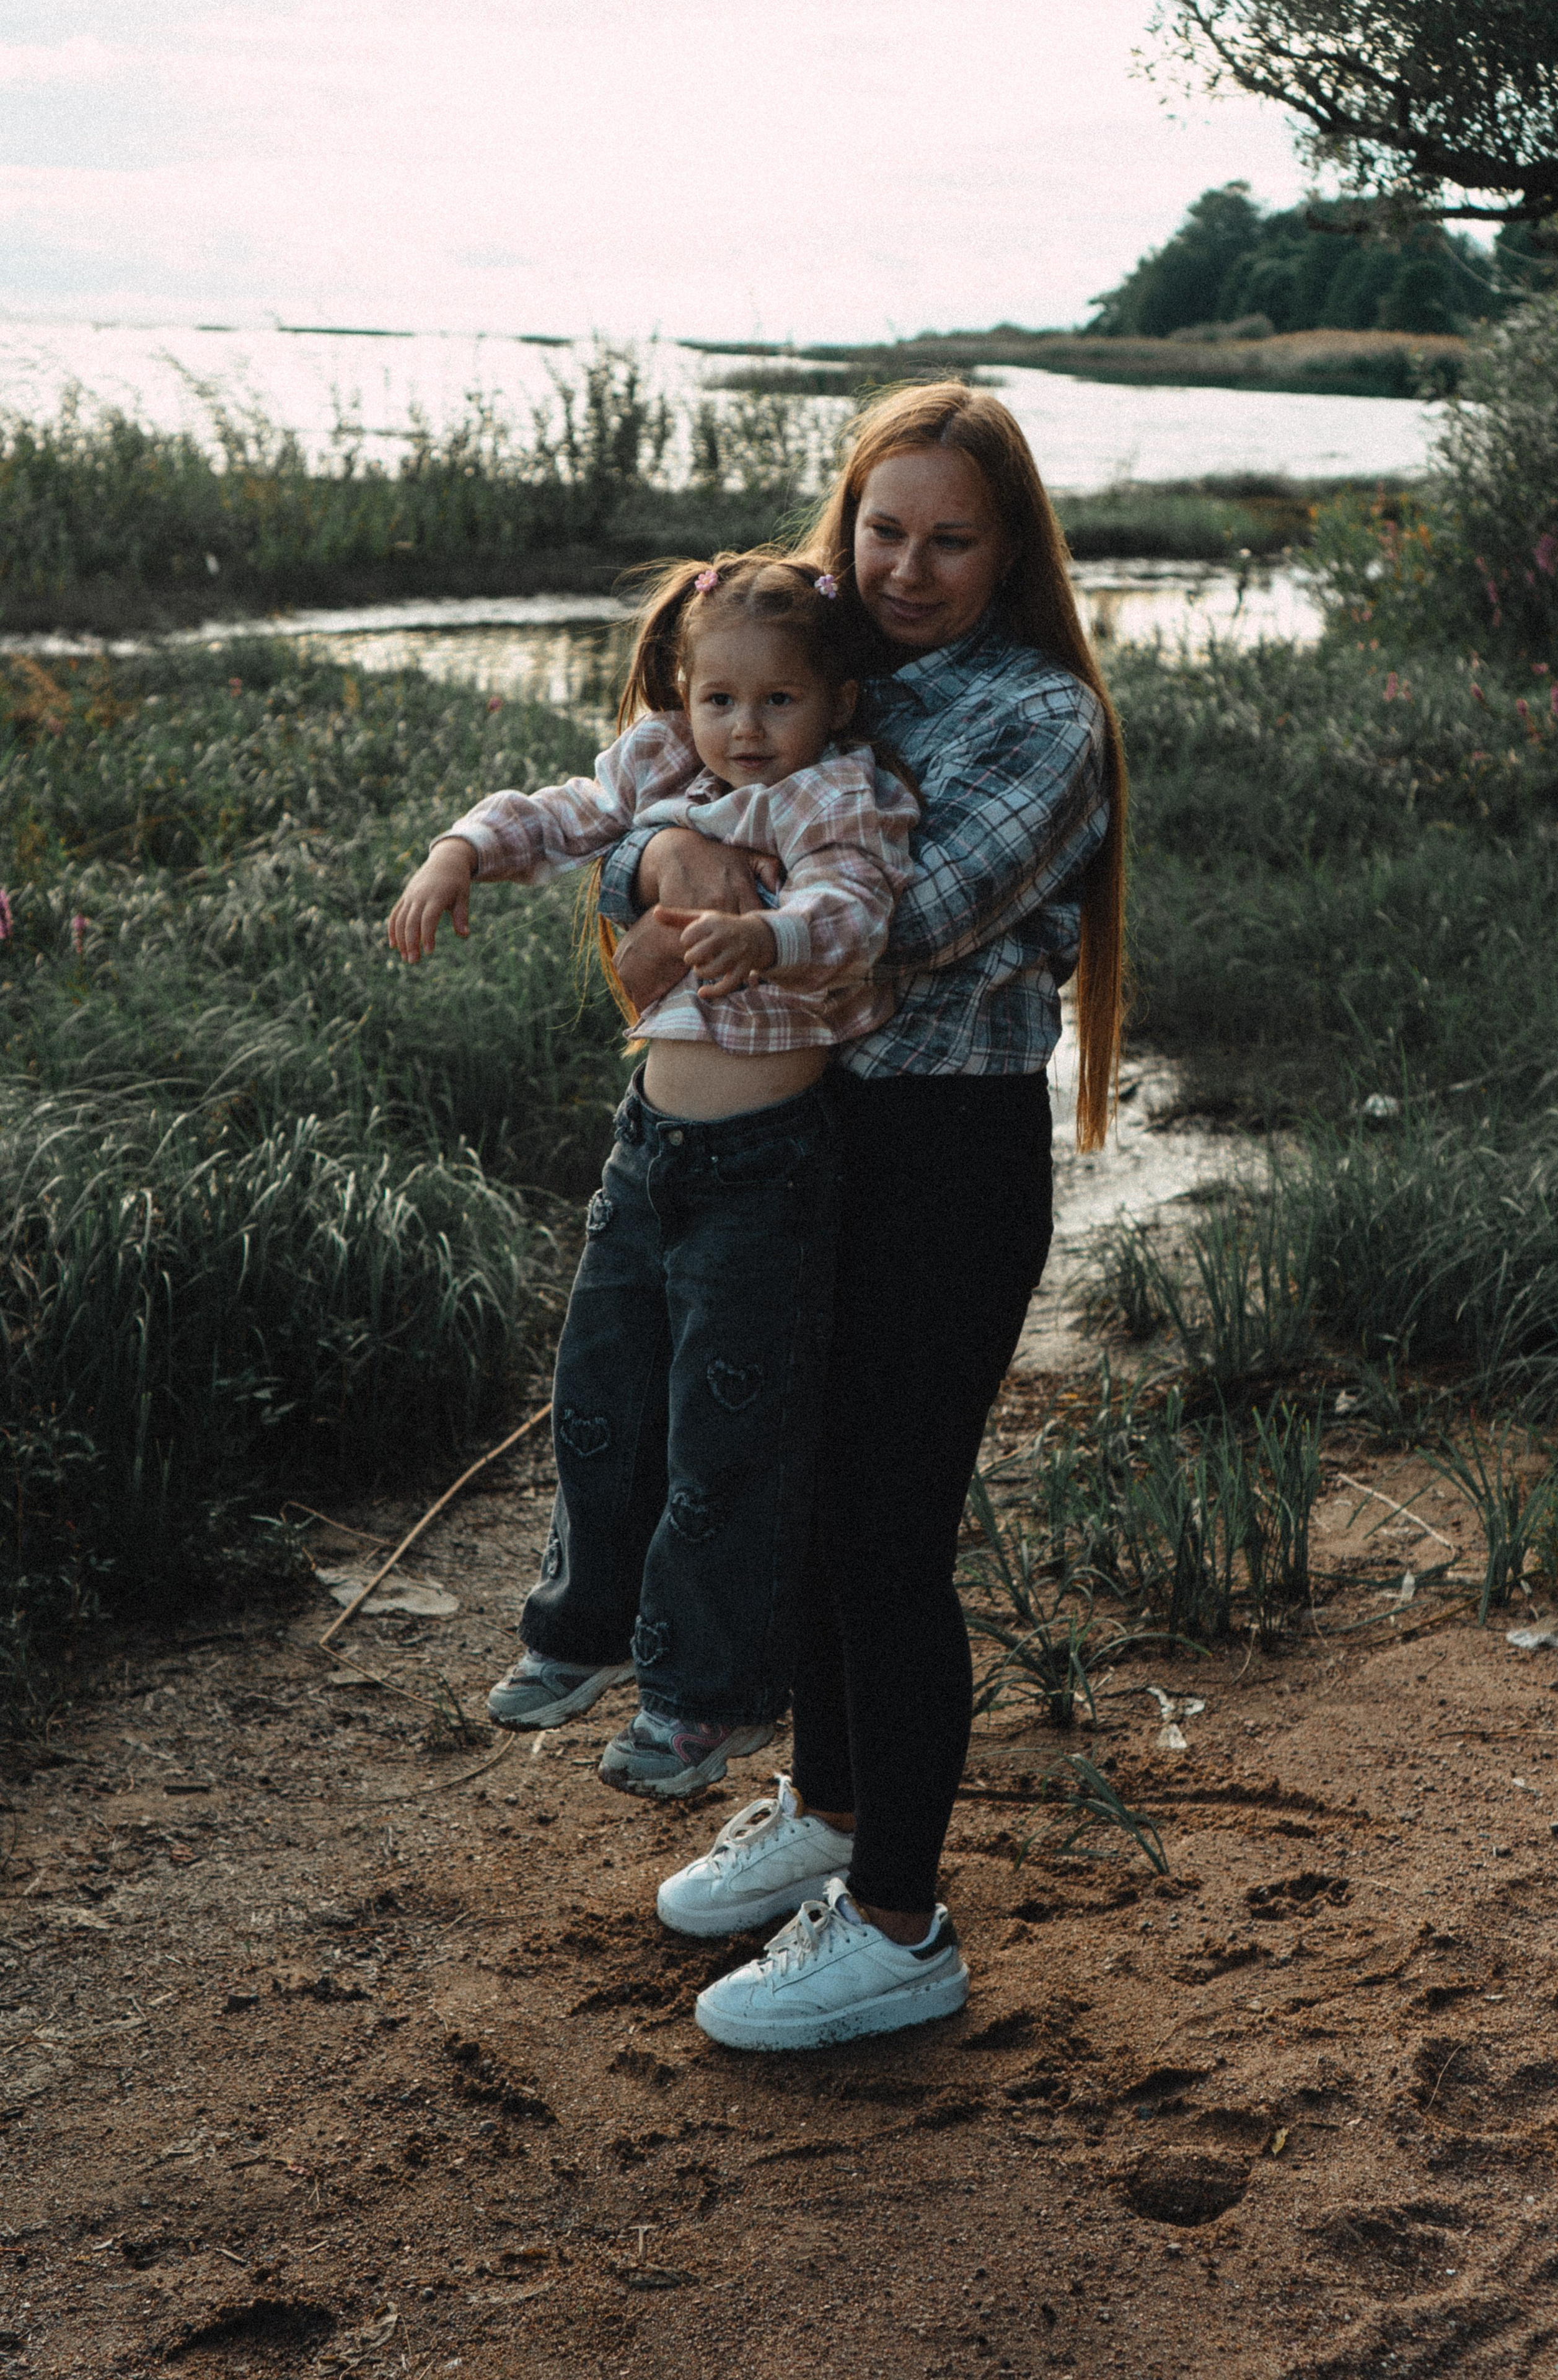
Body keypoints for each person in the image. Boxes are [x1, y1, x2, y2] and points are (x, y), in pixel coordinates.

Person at [598, 384, 1129, 2049]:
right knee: (807, 1504)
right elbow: (634, 812)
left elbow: (890, 922)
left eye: (951, 536)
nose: (908, 565)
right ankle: (828, 1814)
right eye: (882, 528)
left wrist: (692, 857)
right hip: (804, 1141)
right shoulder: (821, 673)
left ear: (1009, 547)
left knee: (889, 1530)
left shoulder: (1039, 720)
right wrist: (667, 854)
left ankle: (900, 1922)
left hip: (948, 1156)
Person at [385, 555, 917, 1799]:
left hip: (766, 1171)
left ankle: (699, 1697)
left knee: (723, 1436)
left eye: (775, 701)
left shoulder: (841, 793)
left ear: (834, 700)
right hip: (647, 1152)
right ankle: (581, 1635)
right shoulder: (659, 765)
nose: (743, 728)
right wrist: (460, 848)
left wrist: (765, 934)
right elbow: (566, 811)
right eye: (717, 700)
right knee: (600, 1402)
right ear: (681, 699)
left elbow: (854, 914)